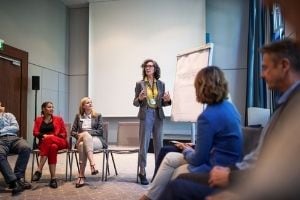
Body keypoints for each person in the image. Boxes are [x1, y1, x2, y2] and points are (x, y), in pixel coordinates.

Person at [159, 39, 300, 200]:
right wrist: (231, 172)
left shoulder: (293, 109)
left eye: (265, 68)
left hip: (243, 178)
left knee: (177, 184)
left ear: (284, 65)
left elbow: (278, 171)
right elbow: (256, 158)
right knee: (175, 172)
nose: (261, 74)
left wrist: (231, 178)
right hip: (236, 169)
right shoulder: (281, 105)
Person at [140, 66, 243, 200]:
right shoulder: (230, 107)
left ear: (202, 87)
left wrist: (187, 150)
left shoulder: (208, 116)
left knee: (171, 163)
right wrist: (193, 146)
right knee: (168, 154)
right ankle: (150, 195)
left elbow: (198, 159)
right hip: (230, 162)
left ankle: (149, 196)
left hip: (217, 166)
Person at [133, 58, 172, 185]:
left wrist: (167, 100)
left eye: (150, 66)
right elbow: (135, 102)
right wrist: (139, 98)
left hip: (158, 115)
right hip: (146, 113)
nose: (147, 68)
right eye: (146, 66)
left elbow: (163, 103)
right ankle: (142, 171)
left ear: (155, 69)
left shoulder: (161, 84)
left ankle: (158, 172)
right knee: (143, 144)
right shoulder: (140, 84)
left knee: (158, 145)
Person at [71, 97, 107, 188]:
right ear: (83, 106)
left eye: (91, 102)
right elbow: (72, 132)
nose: (90, 104)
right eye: (87, 103)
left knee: (83, 143)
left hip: (96, 140)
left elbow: (100, 131)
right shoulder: (78, 116)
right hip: (81, 139)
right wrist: (82, 135)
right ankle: (92, 165)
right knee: (83, 141)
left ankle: (81, 175)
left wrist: (86, 133)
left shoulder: (98, 115)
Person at [32, 101, 68, 189]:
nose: (51, 109)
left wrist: (52, 137)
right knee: (53, 147)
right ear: (43, 109)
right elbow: (35, 132)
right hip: (45, 144)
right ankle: (53, 178)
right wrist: (43, 136)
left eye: (52, 107)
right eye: (49, 107)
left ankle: (39, 169)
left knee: (50, 140)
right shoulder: (38, 119)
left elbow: (64, 133)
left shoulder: (58, 119)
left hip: (60, 141)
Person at [0, 102, 31, 195]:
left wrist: (1, 130)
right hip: (0, 141)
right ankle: (13, 182)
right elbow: (11, 127)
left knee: (26, 147)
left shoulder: (9, 115)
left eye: (0, 105)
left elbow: (15, 127)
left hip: (14, 138)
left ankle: (18, 177)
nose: (0, 107)